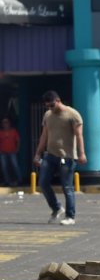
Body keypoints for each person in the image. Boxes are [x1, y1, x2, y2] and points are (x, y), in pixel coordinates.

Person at [33, 91, 85, 226]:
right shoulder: (48, 115)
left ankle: (70, 216)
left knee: (67, 187)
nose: (50, 108)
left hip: (66, 157)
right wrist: (38, 153)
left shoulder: (73, 115)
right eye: (47, 106)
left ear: (58, 100)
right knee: (43, 183)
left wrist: (81, 153)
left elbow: (79, 135)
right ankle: (56, 208)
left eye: (51, 105)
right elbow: (44, 135)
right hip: (50, 155)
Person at [0, 117, 21, 187]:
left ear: (9, 123)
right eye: (4, 122)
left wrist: (17, 148)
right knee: (4, 167)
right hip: (3, 152)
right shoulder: (1, 132)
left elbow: (18, 140)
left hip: (12, 151)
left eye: (6, 122)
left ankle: (19, 180)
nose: (5, 124)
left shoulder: (13, 131)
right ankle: (7, 181)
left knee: (15, 166)